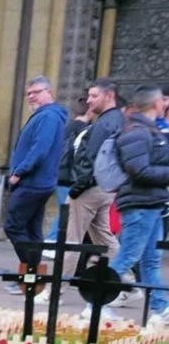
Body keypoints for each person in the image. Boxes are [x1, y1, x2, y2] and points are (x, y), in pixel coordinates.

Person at [107, 84, 169, 327]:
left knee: (151, 260)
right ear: (157, 104)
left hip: (152, 203)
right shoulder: (136, 131)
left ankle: (161, 308)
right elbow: (139, 170)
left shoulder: (149, 129)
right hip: (139, 204)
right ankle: (96, 304)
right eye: (163, 101)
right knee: (126, 256)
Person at [1, 76, 68, 288]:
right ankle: (33, 276)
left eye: (36, 92)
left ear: (50, 92)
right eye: (29, 93)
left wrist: (19, 172)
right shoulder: (45, 115)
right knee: (32, 230)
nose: (31, 97)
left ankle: (31, 271)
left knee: (13, 226)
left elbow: (40, 148)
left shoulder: (48, 117)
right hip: (37, 182)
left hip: (33, 182)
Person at [62, 81, 122, 299]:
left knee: (70, 239)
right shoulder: (115, 120)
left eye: (94, 96)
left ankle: (55, 291)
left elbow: (92, 160)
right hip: (104, 188)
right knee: (105, 239)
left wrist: (77, 189)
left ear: (109, 96)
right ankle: (130, 285)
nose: (88, 100)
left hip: (90, 188)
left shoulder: (105, 123)